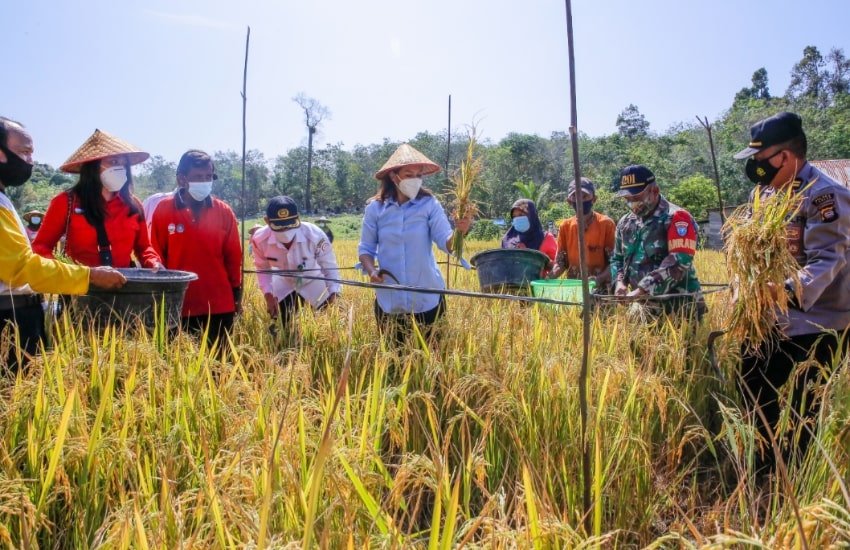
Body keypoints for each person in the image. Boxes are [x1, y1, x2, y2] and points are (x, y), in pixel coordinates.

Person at [733, 112, 850, 474]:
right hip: (771, 317)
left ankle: (798, 481)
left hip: (819, 321)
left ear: (783, 157)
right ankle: (764, 465)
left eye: (759, 158)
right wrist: (745, 287)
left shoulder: (824, 195)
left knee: (804, 405)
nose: (755, 167)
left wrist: (781, 291)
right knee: (750, 381)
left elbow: (829, 257)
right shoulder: (765, 196)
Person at [0, 117, 125, 372]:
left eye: (32, 153)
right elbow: (23, 266)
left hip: (30, 312)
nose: (30, 161)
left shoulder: (130, 204)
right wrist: (89, 276)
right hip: (11, 319)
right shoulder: (65, 202)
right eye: (23, 152)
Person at [358, 143, 471, 345]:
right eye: (409, 174)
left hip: (427, 298)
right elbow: (366, 249)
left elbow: (446, 243)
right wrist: (371, 271)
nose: (415, 180)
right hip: (390, 300)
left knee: (431, 360)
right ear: (394, 176)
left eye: (419, 175)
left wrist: (459, 232)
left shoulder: (429, 204)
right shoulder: (375, 209)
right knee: (394, 362)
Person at [150, 150, 242, 347]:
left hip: (218, 304)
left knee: (220, 368)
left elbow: (234, 257)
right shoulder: (164, 210)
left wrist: (236, 295)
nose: (205, 181)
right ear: (182, 179)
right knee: (180, 367)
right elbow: (155, 253)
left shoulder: (223, 211)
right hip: (179, 306)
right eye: (198, 177)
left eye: (208, 177)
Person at [32, 129, 162, 270]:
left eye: (124, 163)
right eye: (113, 161)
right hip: (82, 288)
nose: (120, 167)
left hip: (125, 287)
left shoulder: (133, 204)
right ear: (93, 166)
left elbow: (144, 248)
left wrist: (154, 262)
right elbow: (40, 247)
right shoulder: (65, 202)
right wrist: (64, 273)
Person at [610, 164, 704, 316]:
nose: (632, 203)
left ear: (654, 191)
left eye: (637, 197)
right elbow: (617, 259)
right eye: (627, 198)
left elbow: (680, 261)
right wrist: (619, 282)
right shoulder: (625, 223)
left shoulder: (677, 217)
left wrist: (642, 290)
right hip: (642, 307)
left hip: (678, 307)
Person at [251, 196, 341, 337]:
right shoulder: (259, 240)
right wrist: (268, 294)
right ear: (267, 221)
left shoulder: (315, 235)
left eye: (289, 225)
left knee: (324, 328)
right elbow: (262, 268)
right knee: (281, 326)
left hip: (313, 282)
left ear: (297, 218)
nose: (286, 231)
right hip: (284, 283)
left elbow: (329, 267)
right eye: (279, 226)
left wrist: (334, 292)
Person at [549, 178, 616, 291]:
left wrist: (598, 279)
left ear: (594, 199)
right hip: (574, 291)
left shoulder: (606, 224)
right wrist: (548, 277)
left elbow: (615, 262)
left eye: (584, 196)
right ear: (569, 201)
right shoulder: (565, 226)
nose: (579, 200)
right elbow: (561, 263)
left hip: (602, 290)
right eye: (575, 197)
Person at [501, 199, 557, 267]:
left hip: (538, 277)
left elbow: (556, 266)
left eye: (521, 215)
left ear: (532, 215)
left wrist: (529, 255)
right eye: (514, 217)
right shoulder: (507, 239)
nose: (517, 219)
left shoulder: (546, 238)